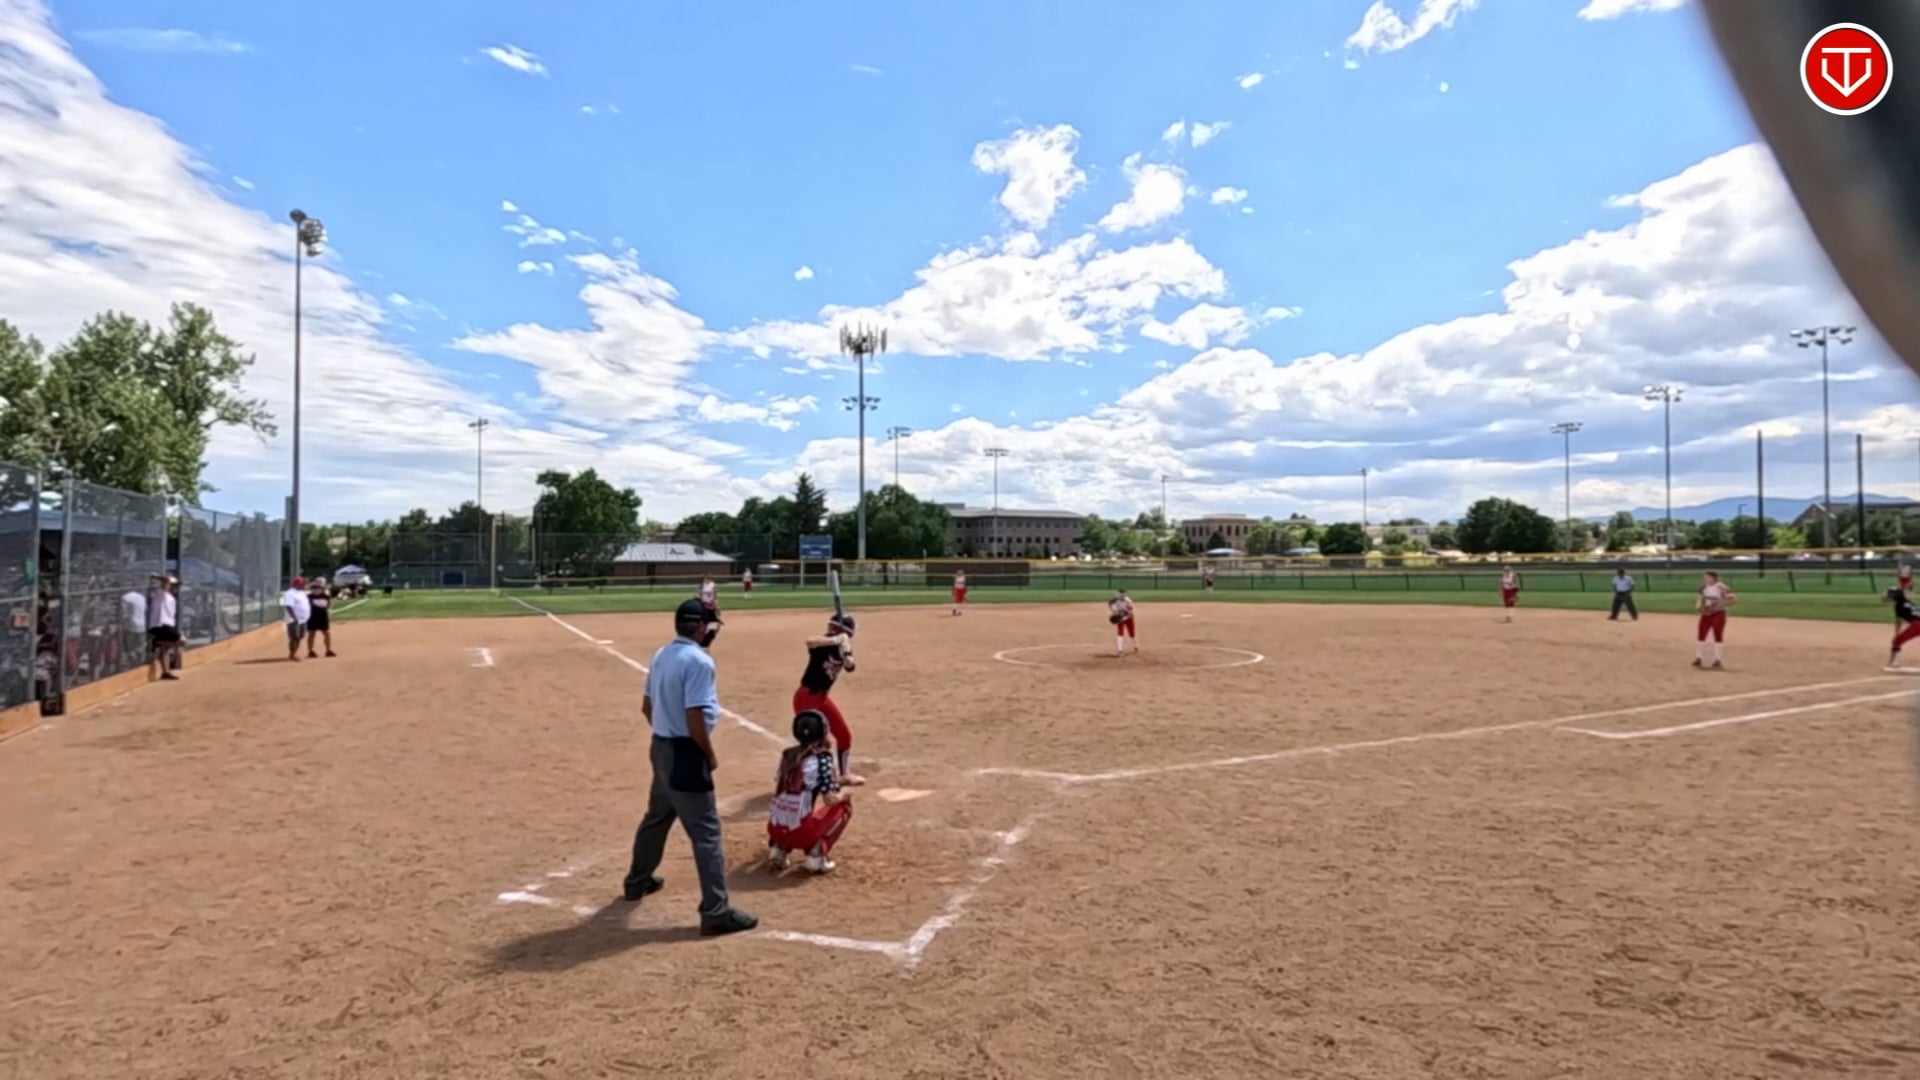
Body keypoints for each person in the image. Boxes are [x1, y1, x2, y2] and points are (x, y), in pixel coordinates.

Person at [621, 598, 757, 936]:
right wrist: (707, 753)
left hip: (661, 747)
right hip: (685, 753)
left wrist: (666, 736)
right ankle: (716, 912)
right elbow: (695, 715)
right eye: (710, 626)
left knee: (657, 816)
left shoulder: (662, 654)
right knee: (706, 834)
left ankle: (637, 881)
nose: (713, 632)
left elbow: (647, 706)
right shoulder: (699, 661)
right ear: (699, 627)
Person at [766, 709, 853, 875]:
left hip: (774, 829)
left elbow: (794, 781)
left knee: (790, 802)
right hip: (802, 834)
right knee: (844, 806)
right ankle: (816, 855)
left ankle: (779, 849)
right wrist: (845, 795)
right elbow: (830, 799)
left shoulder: (788, 755)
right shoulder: (822, 759)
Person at [793, 612, 862, 784]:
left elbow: (850, 666)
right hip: (806, 697)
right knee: (817, 743)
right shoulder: (824, 643)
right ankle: (795, 776)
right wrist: (835, 640)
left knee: (844, 735)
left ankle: (844, 774)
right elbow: (810, 641)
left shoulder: (843, 645)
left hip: (822, 699)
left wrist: (847, 656)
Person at [1694, 571, 1736, 669]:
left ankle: (1718, 660)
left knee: (1718, 635)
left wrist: (1719, 605)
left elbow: (1733, 600)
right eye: (1704, 577)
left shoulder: (1721, 587)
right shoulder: (1702, 588)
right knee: (1701, 634)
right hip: (1706, 614)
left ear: (1713, 578)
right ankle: (1698, 658)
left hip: (1719, 614)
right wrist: (1700, 608)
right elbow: (1700, 601)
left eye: (1707, 577)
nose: (1704, 579)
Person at [145, 573, 181, 682]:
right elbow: (164, 584)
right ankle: (157, 641)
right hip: (159, 625)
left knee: (165, 650)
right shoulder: (161, 595)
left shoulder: (172, 598)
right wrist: (162, 578)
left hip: (168, 625)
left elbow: (171, 615)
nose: (175, 588)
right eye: (173, 585)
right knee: (181, 640)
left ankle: (166, 672)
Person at [1886, 586, 1920, 668]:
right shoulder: (1909, 601)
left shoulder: (1898, 606)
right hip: (1917, 623)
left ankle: (1893, 662)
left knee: (1896, 641)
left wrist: (1897, 634)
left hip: (1917, 625)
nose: (1889, 596)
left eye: (1891, 594)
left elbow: (1899, 622)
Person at [281, 576, 312, 662]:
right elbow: (288, 606)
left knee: (301, 636)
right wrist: (294, 617)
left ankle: (294, 653)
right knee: (294, 637)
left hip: (303, 619)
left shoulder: (301, 592)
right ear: (297, 584)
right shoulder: (290, 593)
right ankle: (292, 654)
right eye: (303, 584)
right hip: (294, 619)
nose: (304, 585)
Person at [306, 576, 336, 658]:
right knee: (311, 634)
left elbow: (329, 605)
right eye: (314, 588)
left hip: (323, 617)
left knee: (326, 633)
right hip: (312, 617)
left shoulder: (326, 596)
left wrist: (328, 611)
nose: (316, 589)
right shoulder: (309, 596)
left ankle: (328, 650)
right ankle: (310, 651)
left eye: (318, 587)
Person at [1109, 589, 1136, 654]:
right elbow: (1110, 604)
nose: (1122, 595)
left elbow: (1130, 611)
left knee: (1131, 632)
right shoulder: (1114, 600)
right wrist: (1115, 612)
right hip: (1120, 619)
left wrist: (1129, 614)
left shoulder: (1128, 600)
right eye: (1120, 594)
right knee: (1120, 632)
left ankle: (1135, 644)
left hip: (1128, 617)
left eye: (1123, 594)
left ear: (1125, 594)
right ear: (1117, 594)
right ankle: (1120, 650)